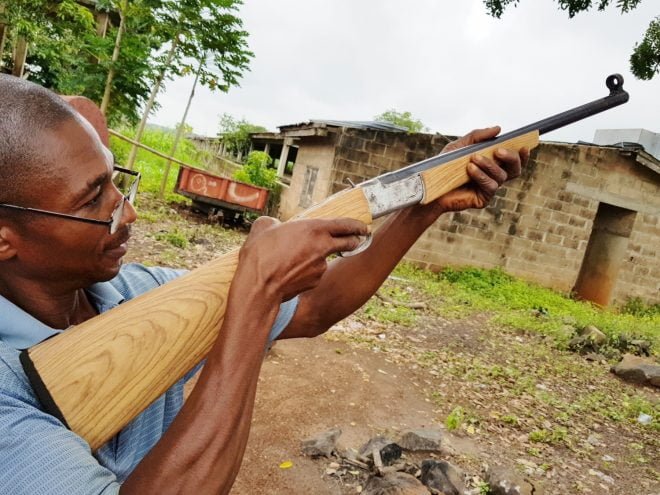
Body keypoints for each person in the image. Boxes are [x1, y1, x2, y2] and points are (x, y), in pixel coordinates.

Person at [0, 74, 528, 494]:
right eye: (93, 200)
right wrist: (255, 297)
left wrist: (423, 204)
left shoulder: (135, 292)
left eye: (117, 183)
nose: (128, 212)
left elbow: (317, 306)